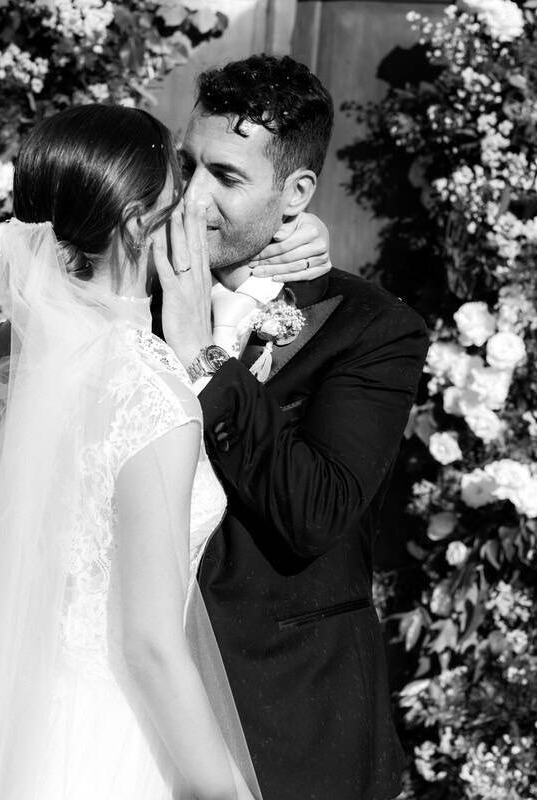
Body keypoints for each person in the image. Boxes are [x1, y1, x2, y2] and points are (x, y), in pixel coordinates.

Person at [0, 104, 262, 799]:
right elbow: (150, 646)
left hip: (28, 730)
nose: (193, 212)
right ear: (136, 224)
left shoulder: (29, 359)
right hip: (115, 745)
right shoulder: (149, 391)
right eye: (177, 198)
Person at [157, 55, 428, 800]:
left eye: (226, 176)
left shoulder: (372, 329)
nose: (193, 198)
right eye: (186, 165)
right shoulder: (134, 288)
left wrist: (204, 358)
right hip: (127, 702)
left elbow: (314, 512)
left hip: (291, 717)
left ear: (296, 195)